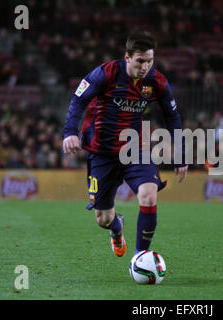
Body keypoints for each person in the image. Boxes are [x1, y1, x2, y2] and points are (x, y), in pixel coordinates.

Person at [62, 30, 188, 259]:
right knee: (103, 219)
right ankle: (117, 227)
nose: (145, 66)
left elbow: (173, 116)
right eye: (140, 61)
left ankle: (141, 256)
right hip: (102, 152)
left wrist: (180, 153)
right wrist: (70, 131)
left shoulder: (156, 81)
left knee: (149, 195)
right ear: (127, 57)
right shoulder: (106, 73)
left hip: (135, 149)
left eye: (150, 61)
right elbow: (79, 99)